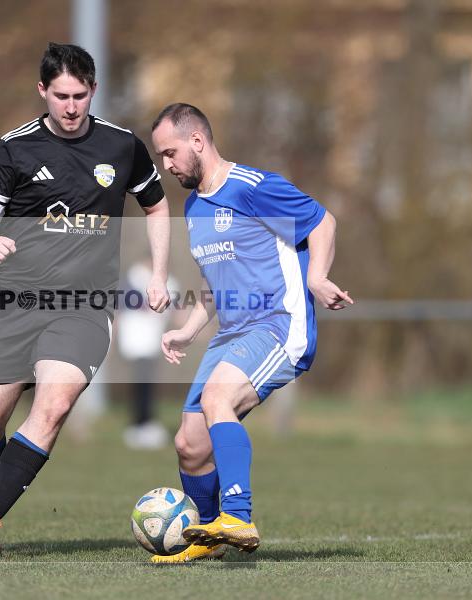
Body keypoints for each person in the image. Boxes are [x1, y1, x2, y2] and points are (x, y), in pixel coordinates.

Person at [0, 43, 170, 559]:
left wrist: (161, 273)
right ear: (42, 91)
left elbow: (157, 207)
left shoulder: (123, 146)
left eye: (79, 95)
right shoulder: (14, 148)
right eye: (60, 96)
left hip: (84, 306)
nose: (71, 107)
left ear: (93, 90)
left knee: (51, 408)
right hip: (15, 299)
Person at [148, 103, 353, 563]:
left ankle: (237, 516)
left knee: (217, 399)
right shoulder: (194, 207)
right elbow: (213, 281)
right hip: (232, 333)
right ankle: (208, 540)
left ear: (197, 141)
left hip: (278, 324)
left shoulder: (252, 186)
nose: (166, 165)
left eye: (170, 153)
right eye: (161, 156)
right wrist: (188, 330)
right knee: (190, 443)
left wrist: (317, 277)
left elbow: (323, 221)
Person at [116, 259, 177, 450]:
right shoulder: (132, 279)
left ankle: (144, 423)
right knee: (142, 384)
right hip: (136, 341)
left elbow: (173, 311)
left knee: (147, 384)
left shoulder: (169, 282)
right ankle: (141, 424)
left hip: (153, 341)